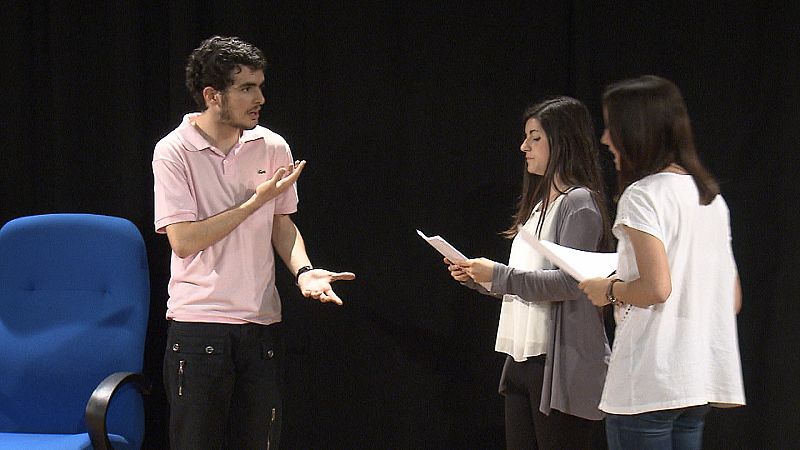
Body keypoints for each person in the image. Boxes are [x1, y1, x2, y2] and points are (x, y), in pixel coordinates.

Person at [152, 35, 355, 450]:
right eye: (246, 88)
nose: (259, 98)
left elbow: (281, 222)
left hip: (261, 326)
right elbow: (184, 240)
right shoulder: (174, 151)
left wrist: (303, 271)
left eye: (260, 86)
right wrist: (253, 202)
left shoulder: (272, 145)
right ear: (213, 96)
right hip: (200, 326)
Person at [579, 75, 745, 450]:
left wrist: (608, 289)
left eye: (611, 127)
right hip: (696, 383)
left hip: (649, 381)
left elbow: (656, 288)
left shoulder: (642, 195)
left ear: (636, 131)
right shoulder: (711, 199)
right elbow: (731, 299)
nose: (605, 139)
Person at [445, 96, 612, 449]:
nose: (524, 147)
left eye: (535, 138)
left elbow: (571, 282)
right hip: (521, 359)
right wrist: (480, 279)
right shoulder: (539, 207)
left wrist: (498, 275)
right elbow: (525, 282)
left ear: (562, 141)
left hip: (559, 366)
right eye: (526, 138)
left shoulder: (578, 203)